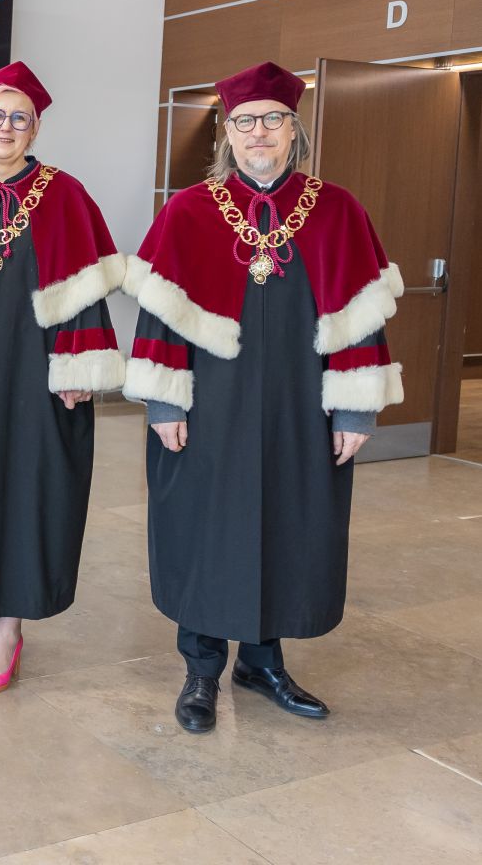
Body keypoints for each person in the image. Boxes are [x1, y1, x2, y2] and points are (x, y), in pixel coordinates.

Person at [123, 61, 404, 733]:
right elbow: (159, 314)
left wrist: (356, 407)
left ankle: (262, 662)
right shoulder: (188, 211)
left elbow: (362, 316)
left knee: (286, 523)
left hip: (299, 408)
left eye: (273, 120)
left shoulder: (337, 210)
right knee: (204, 526)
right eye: (245, 122)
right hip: (208, 406)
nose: (258, 133)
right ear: (227, 132)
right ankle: (201, 668)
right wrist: (165, 402)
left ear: (293, 130)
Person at [0, 61, 125, 696]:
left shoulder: (65, 195)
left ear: (35, 129)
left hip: (41, 371)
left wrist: (80, 364)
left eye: (20, 118)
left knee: (28, 489)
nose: (6, 127)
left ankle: (9, 627)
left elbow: (89, 288)